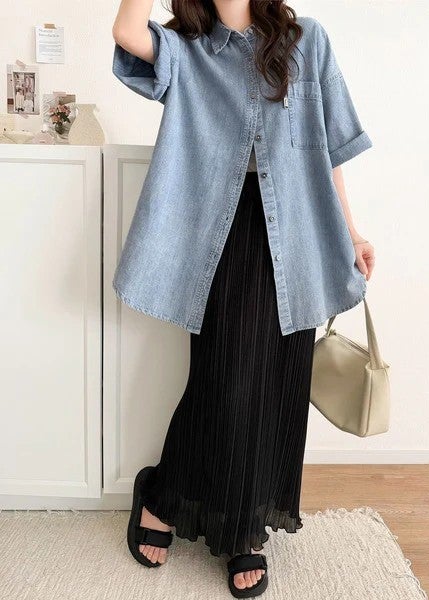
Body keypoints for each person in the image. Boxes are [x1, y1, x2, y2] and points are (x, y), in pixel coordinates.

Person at [112, 0, 375, 596]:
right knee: (224, 377)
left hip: (298, 233)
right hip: (217, 231)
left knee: (281, 381)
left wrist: (352, 233)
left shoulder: (307, 40)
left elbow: (330, 148)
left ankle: (242, 527)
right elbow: (127, 31)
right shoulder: (187, 50)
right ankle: (168, 497)